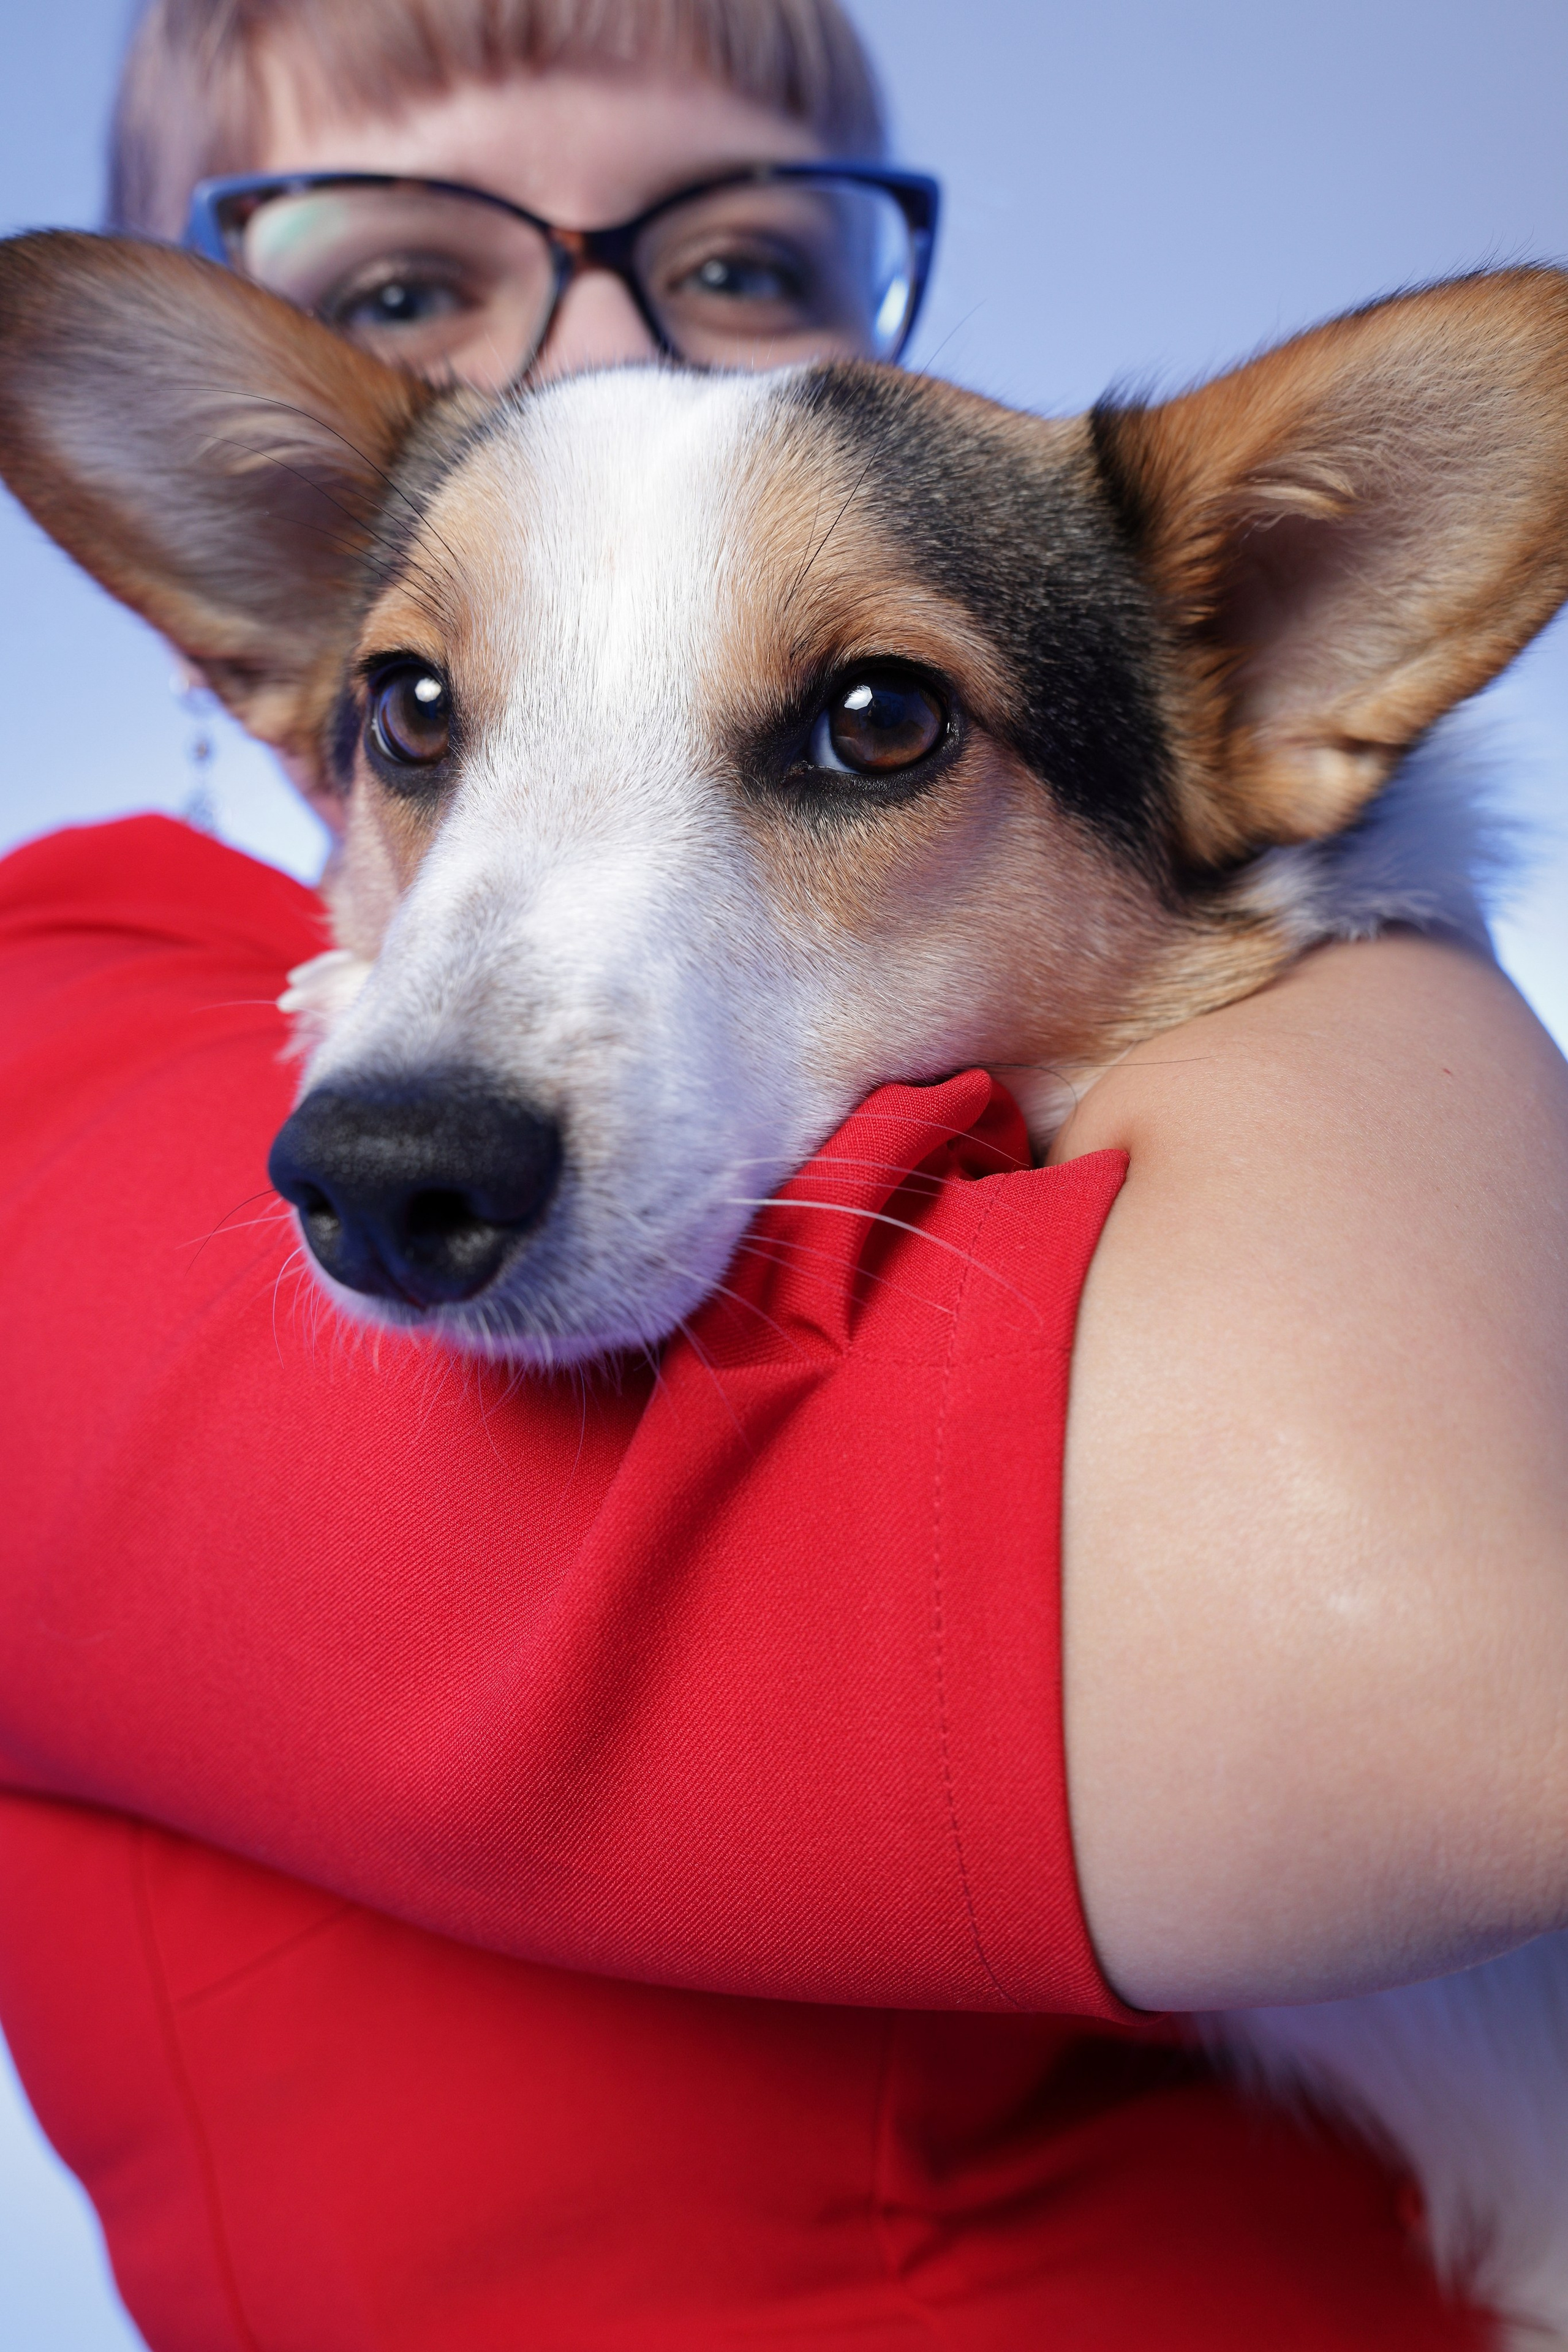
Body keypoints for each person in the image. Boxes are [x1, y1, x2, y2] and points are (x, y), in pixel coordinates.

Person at [0, 1, 1564, 2343]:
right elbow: (1454, 1690)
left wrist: (1325, 882)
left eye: (736, 261)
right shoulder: (62, 1033)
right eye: (409, 290)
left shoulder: (1142, 726)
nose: (599, 348)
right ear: (298, 575)